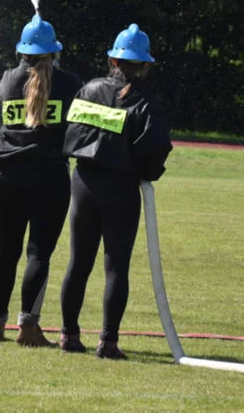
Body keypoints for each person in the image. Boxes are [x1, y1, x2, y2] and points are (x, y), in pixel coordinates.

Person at [58, 24, 173, 359]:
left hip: (83, 185)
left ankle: (68, 335)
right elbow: (154, 154)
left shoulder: (88, 89)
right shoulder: (147, 102)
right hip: (121, 189)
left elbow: (73, 135)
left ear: (113, 59)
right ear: (145, 64)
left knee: (78, 263)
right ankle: (108, 342)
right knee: (116, 267)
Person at [0, 14, 83, 346]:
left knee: (5, 253)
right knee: (38, 253)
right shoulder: (70, 83)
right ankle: (28, 327)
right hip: (50, 179)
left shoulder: (7, 81)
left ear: (22, 51)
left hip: (8, 179)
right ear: (53, 51)